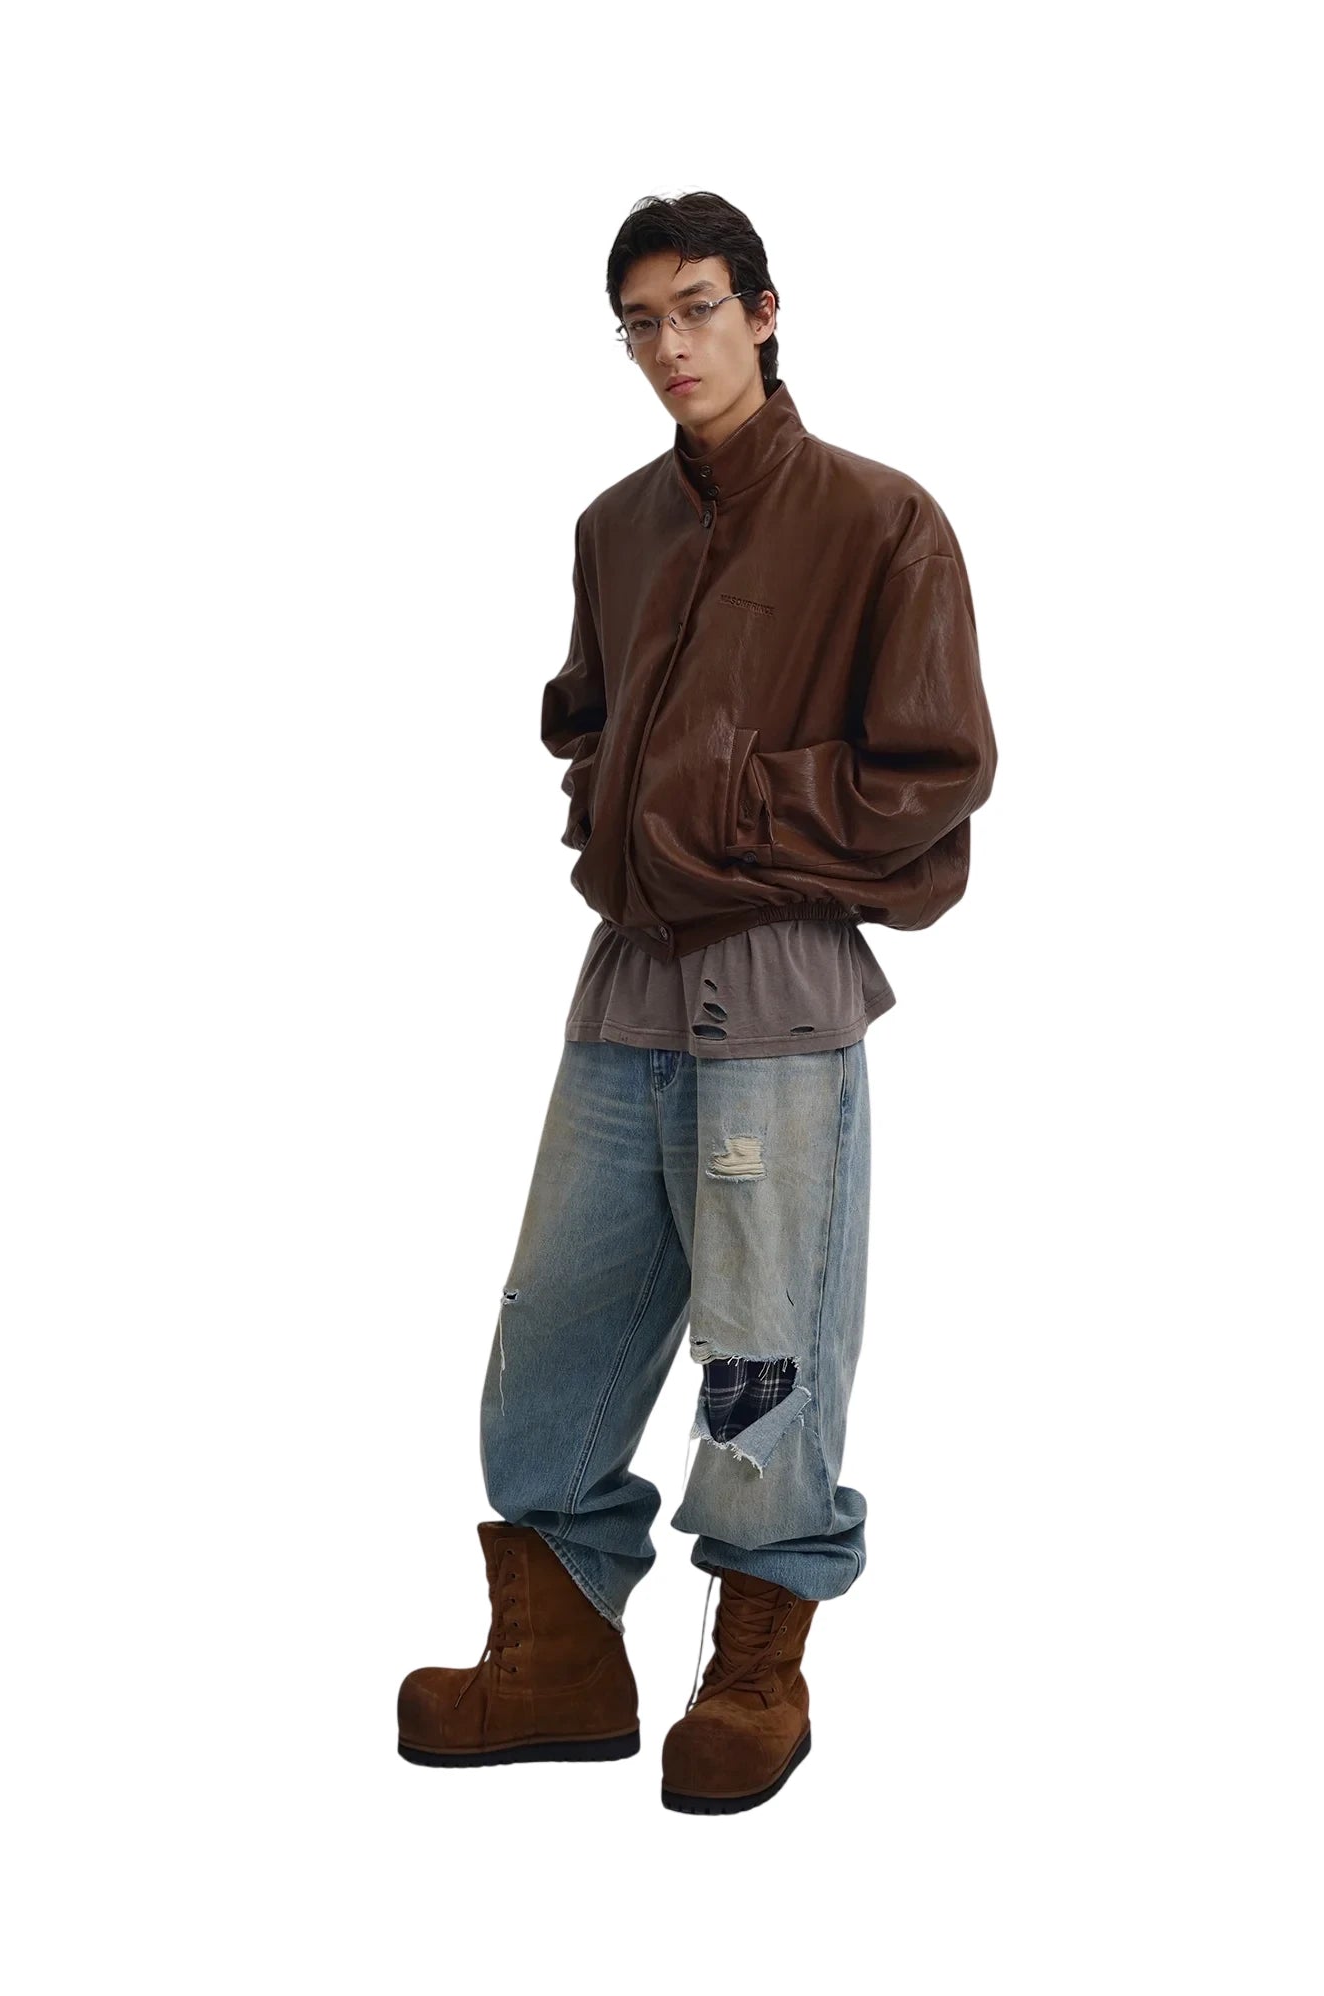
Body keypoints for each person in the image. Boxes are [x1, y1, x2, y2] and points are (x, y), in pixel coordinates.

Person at [396, 190, 998, 1813]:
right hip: (624, 990)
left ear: (765, 310)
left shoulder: (882, 521)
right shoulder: (616, 527)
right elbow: (587, 725)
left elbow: (936, 772)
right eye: (641, 323)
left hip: (775, 991)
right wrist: (616, 808)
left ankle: (754, 1674)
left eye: (698, 308)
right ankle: (557, 1656)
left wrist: (721, 811)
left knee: (760, 1347)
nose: (670, 345)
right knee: (556, 1321)